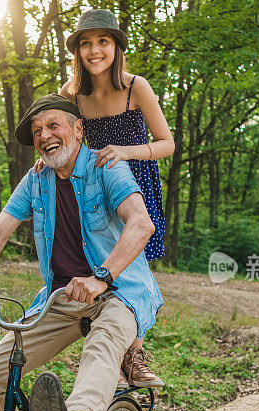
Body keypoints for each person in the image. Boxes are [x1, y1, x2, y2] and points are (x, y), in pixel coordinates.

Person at [0, 94, 164, 411]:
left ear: (78, 129)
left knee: (102, 346)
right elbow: (0, 230)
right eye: (37, 130)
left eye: (53, 125)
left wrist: (101, 276)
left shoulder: (107, 166)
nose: (45, 135)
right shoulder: (37, 179)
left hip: (117, 294)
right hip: (60, 298)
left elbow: (141, 224)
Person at [35, 9, 175, 388]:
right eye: (85, 43)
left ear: (116, 46)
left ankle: (133, 355)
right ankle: (105, 334)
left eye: (102, 41)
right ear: (77, 51)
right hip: (93, 187)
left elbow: (167, 143)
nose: (94, 50)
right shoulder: (71, 93)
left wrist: (126, 151)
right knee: (100, 257)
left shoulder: (135, 87)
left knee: (135, 266)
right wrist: (46, 153)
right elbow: (59, 132)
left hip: (135, 179)